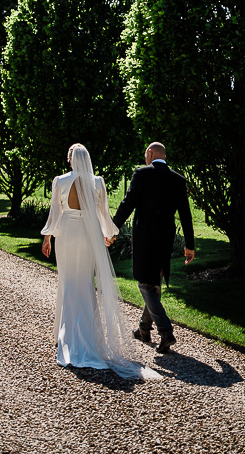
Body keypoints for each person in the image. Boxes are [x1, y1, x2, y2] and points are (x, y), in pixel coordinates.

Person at [41, 143, 159, 380]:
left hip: (66, 234)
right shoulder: (97, 182)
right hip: (89, 235)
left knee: (67, 283)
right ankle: (88, 340)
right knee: (85, 284)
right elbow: (103, 213)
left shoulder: (60, 181)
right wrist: (109, 233)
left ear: (71, 159)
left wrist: (47, 238)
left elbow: (55, 213)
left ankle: (66, 339)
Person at [112, 141, 195, 353]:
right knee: (154, 282)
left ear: (150, 153)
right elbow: (185, 214)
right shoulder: (177, 179)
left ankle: (166, 331)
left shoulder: (141, 174)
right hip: (166, 238)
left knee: (145, 284)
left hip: (145, 238)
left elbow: (128, 203)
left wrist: (112, 229)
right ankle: (143, 329)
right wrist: (190, 244)